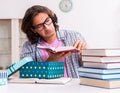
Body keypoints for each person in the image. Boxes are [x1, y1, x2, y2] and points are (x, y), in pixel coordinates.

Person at [20, 5, 87, 78]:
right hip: (45, 88)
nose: (47, 28)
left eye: (47, 21)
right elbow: (26, 75)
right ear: (33, 30)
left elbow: (89, 67)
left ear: (52, 18)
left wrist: (86, 54)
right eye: (40, 26)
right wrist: (51, 60)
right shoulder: (29, 47)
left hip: (74, 87)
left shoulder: (75, 36)